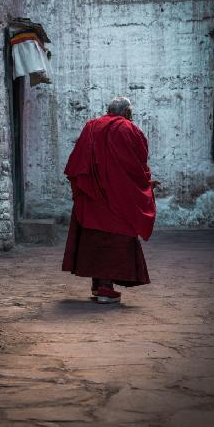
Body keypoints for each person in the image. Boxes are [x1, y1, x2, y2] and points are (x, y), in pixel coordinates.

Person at [62, 97, 158, 304]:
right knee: (114, 239)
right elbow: (137, 165)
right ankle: (106, 288)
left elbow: (76, 163)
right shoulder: (129, 129)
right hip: (119, 197)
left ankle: (99, 285)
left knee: (94, 237)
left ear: (109, 110)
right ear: (127, 112)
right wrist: (146, 183)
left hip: (93, 195)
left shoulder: (91, 127)